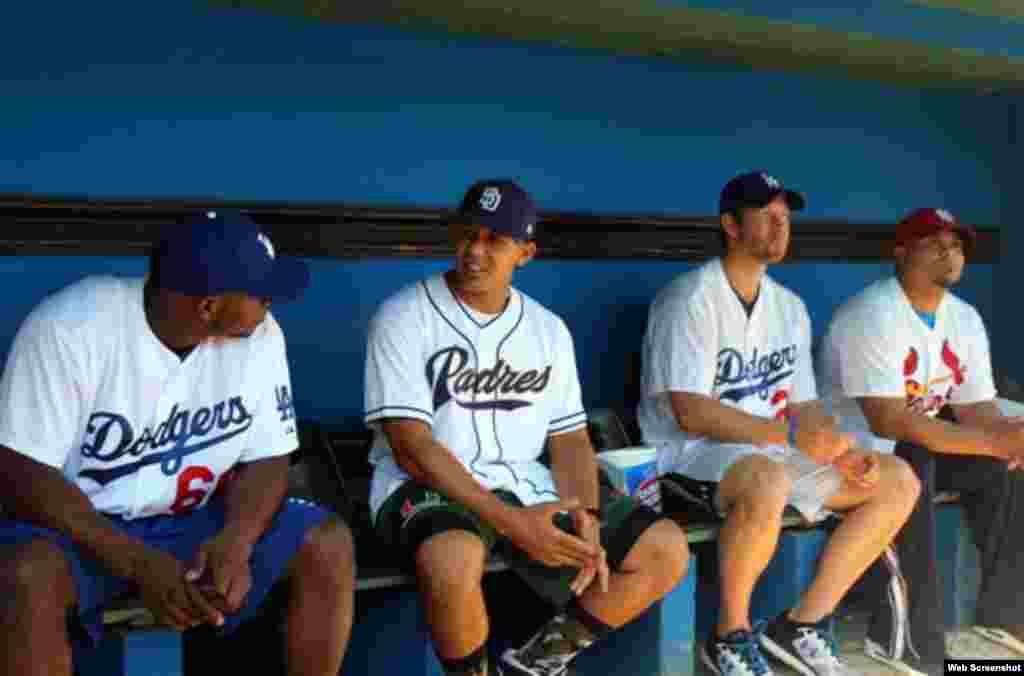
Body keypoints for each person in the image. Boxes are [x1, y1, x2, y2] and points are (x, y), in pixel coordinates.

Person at [0, 211, 355, 676]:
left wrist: (236, 540)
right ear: (207, 306)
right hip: (80, 529)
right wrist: (137, 562)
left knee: (326, 542)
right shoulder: (72, 328)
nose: (270, 302)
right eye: (259, 292)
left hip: (192, 522)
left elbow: (269, 457)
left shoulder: (262, 335)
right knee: (25, 575)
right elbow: (21, 471)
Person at [364, 178, 690, 676]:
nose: (475, 251)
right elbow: (412, 448)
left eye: (495, 240)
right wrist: (511, 522)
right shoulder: (402, 316)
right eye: (468, 234)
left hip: (525, 483)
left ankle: (535, 664)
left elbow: (569, 439)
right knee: (451, 557)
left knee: (665, 549)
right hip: (428, 486)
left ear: (525, 252)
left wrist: (586, 512)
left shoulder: (547, 330)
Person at [639, 171, 920, 676]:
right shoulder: (689, 300)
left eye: (785, 217)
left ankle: (802, 623)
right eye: (766, 216)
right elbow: (691, 411)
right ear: (730, 225)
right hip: (689, 456)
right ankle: (730, 635)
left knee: (896, 479)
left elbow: (803, 405)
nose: (779, 226)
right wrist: (790, 436)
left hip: (767, 451)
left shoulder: (789, 307)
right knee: (766, 479)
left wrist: (842, 450)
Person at [819, 207, 1024, 671]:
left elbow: (977, 410)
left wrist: (1010, 441)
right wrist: (995, 442)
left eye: (956, 245)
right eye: (934, 244)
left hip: (917, 447)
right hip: (855, 458)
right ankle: (907, 640)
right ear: (900, 252)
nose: (949, 254)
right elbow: (888, 421)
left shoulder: (964, 318)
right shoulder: (871, 314)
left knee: (1005, 465)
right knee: (918, 457)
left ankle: (1007, 623)